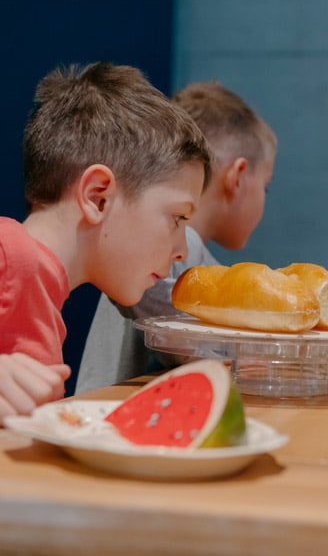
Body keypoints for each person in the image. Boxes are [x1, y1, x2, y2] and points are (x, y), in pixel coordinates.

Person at [0, 62, 212, 420]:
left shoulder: (40, 283)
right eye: (177, 218)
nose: (183, 251)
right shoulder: (10, 252)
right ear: (98, 196)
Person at [75, 81, 277, 393]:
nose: (177, 250)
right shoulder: (164, 252)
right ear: (237, 177)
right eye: (266, 186)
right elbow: (184, 338)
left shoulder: (184, 251)